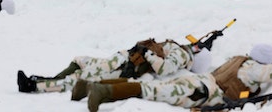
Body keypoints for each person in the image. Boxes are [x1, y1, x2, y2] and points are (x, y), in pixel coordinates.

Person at [84, 43, 272, 112]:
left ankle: (92, 86)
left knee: (152, 87)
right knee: (151, 91)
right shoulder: (257, 69)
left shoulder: (238, 58)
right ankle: (103, 92)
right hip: (203, 92)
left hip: (200, 83)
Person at [17, 38, 212, 99]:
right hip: (121, 59)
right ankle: (46, 79)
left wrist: (147, 53)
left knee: (80, 77)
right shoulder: (175, 48)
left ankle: (33, 87)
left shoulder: (182, 54)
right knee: (80, 61)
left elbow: (164, 68)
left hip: (122, 67)